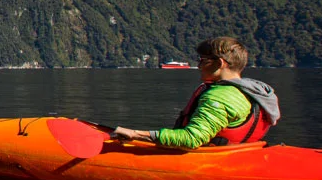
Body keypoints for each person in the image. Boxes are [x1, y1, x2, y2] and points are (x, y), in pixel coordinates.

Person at [112, 36, 280, 148]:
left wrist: (135, 134)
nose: (199, 66)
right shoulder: (252, 91)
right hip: (236, 156)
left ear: (220, 63)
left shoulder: (220, 96)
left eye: (203, 61)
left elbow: (192, 139)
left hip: (207, 160)